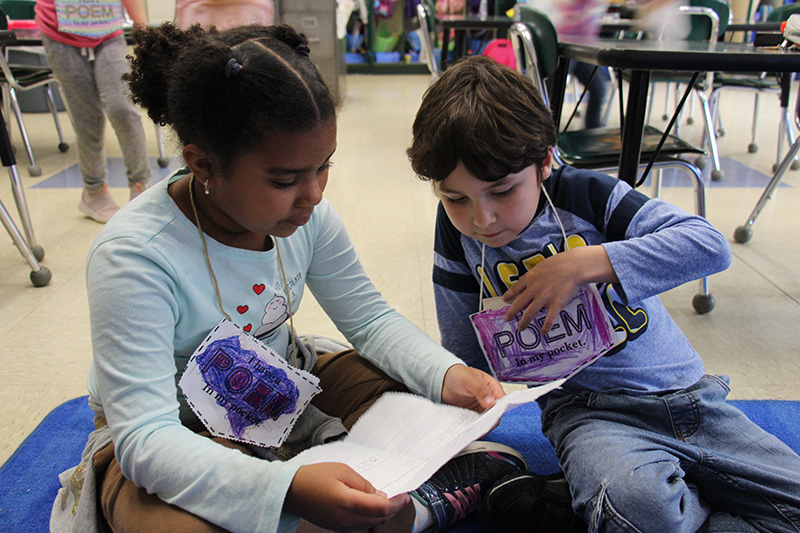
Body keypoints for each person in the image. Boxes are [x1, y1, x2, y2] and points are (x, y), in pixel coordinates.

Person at [48, 24, 529, 533]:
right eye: (284, 180)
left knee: (414, 401)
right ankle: (395, 509)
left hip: (279, 381)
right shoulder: (132, 257)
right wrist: (289, 490)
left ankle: (382, 504)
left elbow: (368, 319)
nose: (314, 194)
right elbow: (147, 438)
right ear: (204, 165)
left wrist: (445, 374)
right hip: (176, 426)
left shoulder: (308, 217)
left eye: (324, 168)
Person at [407, 56, 800, 532]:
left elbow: (708, 246)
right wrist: (468, 388)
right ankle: (630, 504)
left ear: (546, 159)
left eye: (503, 190)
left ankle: (588, 504)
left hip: (690, 398)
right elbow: (464, 349)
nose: (482, 219)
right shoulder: (458, 237)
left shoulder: (588, 196)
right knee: (642, 510)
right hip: (591, 416)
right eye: (455, 198)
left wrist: (585, 264)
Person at [34, 0, 152, 223]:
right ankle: (94, 192)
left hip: (107, 32)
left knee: (122, 108)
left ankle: (141, 186)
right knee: (87, 118)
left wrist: (141, 26)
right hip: (60, 33)